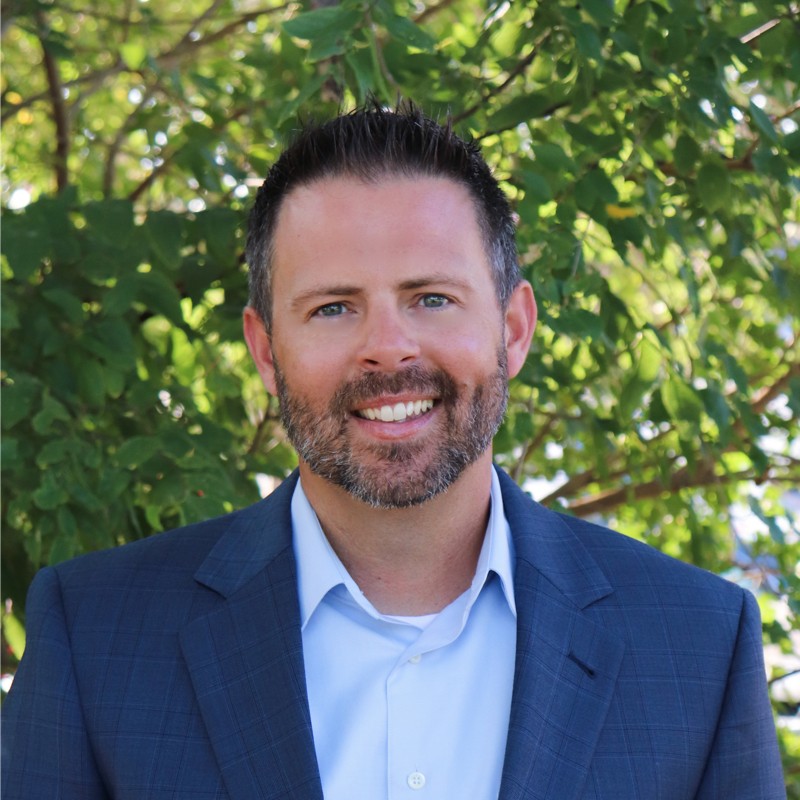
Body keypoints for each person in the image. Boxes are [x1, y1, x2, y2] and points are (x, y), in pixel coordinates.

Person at [1, 103, 785, 800]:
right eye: (333, 307)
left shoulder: (698, 648)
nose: (388, 348)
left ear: (513, 329)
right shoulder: (96, 636)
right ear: (267, 351)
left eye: (431, 298)